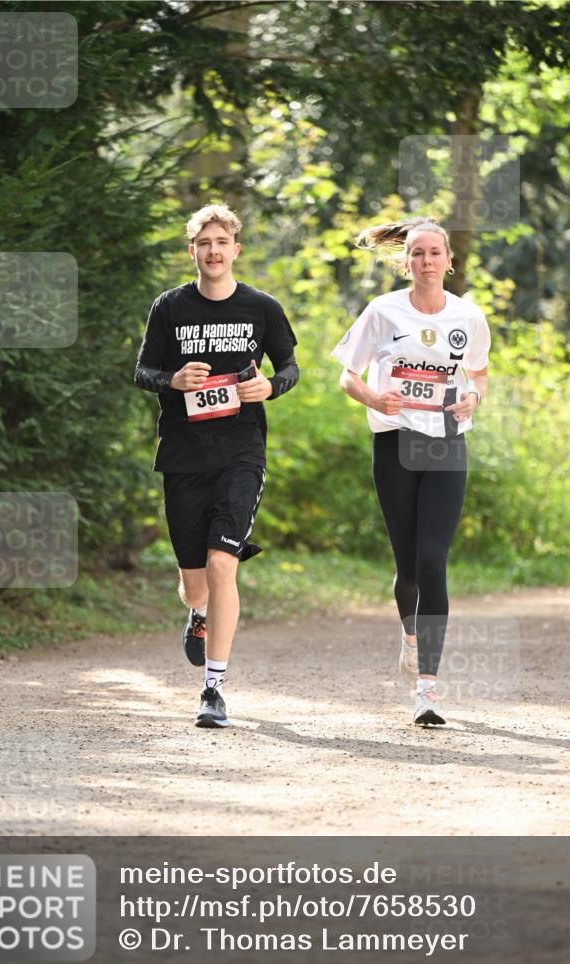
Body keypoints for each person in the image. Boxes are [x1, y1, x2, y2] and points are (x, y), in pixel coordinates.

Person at [134, 203, 298, 728]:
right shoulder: (169, 307)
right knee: (195, 581)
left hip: (240, 452)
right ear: (193, 251)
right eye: (204, 243)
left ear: (236, 249)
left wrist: (270, 386)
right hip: (183, 456)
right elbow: (143, 369)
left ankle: (213, 689)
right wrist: (172, 380)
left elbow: (290, 367)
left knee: (223, 563)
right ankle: (198, 612)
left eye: (221, 242)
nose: (213, 251)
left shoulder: (262, 307)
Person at [332, 217, 490, 726]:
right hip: (395, 442)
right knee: (407, 569)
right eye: (417, 253)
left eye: (434, 253)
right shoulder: (383, 311)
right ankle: (410, 636)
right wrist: (374, 397)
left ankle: (427, 689)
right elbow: (347, 377)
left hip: (446, 444)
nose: (426, 261)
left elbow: (479, 374)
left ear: (448, 261)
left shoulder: (469, 317)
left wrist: (473, 398)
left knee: (432, 561)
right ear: (406, 262)